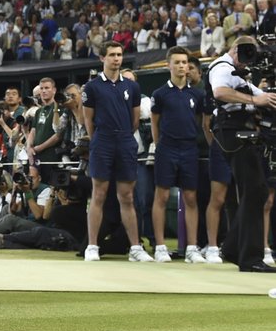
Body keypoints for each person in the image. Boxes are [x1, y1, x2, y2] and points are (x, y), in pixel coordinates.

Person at [208, 37, 276, 272]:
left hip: (242, 132)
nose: (248, 62)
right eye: (246, 54)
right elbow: (220, 92)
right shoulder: (222, 67)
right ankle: (249, 258)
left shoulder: (240, 74)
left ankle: (234, 248)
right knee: (255, 191)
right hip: (233, 132)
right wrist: (254, 99)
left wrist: (264, 97)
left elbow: (264, 97)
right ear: (235, 50)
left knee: (255, 191)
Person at [82, 41, 153, 262]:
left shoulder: (132, 87)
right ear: (102, 58)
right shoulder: (92, 87)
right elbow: (88, 121)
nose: (116, 59)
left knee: (127, 196)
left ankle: (135, 248)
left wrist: (121, 136)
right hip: (102, 141)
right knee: (99, 194)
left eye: (119, 55)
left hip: (125, 141)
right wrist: (101, 139)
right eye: (112, 54)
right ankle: (92, 246)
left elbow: (133, 121)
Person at [149, 46, 206, 263]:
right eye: (178, 62)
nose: (182, 66)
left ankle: (192, 248)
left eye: (185, 63)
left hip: (190, 149)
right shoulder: (159, 94)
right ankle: (161, 247)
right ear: (168, 65)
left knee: (190, 197)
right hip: (167, 148)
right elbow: (155, 122)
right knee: (161, 196)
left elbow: (200, 121)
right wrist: (159, 145)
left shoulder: (197, 94)